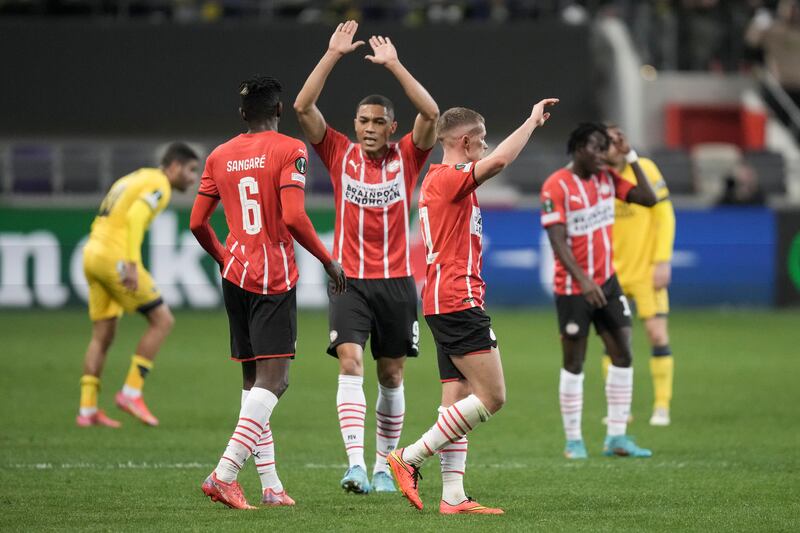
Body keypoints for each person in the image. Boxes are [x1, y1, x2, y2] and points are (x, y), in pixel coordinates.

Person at [388, 99, 559, 514]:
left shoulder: (443, 181)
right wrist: (531, 121)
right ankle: (408, 457)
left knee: (457, 398)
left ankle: (452, 497)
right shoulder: (448, 178)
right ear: (465, 142)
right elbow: (500, 162)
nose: (486, 147)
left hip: (444, 299)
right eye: (481, 140)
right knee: (493, 396)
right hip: (456, 299)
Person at [294, 20, 439, 494]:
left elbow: (432, 112)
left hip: (397, 282)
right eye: (363, 121)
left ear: (392, 127)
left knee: (391, 373)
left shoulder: (409, 157)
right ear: (353, 125)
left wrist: (395, 65)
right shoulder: (337, 152)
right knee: (350, 362)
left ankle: (383, 466)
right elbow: (302, 106)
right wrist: (333, 54)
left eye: (379, 122)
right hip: (348, 280)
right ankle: (355, 464)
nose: (370, 128)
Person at [190, 75, 346, 509]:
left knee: (252, 383)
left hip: (235, 273)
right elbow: (294, 218)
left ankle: (272, 485)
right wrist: (327, 260)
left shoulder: (219, 155)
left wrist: (224, 256)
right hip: (272, 275)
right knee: (275, 382)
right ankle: (224, 473)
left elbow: (197, 223)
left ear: (242, 113)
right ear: (279, 111)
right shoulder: (290, 150)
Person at [541, 122, 657, 460]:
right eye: (596, 147)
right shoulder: (556, 185)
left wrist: (630, 155)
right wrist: (583, 280)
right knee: (575, 362)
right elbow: (557, 240)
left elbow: (649, 199)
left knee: (623, 352)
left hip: (607, 281)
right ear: (578, 148)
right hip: (573, 287)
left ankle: (617, 437)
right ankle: (574, 440)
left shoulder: (607, 179)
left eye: (605, 147)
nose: (603, 154)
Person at [77, 142, 199, 428]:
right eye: (191, 170)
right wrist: (131, 264)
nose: (193, 178)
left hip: (91, 253)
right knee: (162, 320)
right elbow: (134, 217)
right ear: (174, 166)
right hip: (115, 258)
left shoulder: (134, 177)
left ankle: (87, 408)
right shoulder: (160, 185)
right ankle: (131, 392)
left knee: (102, 335)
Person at [604, 125, 676, 427]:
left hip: (646, 270)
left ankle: (661, 406)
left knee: (657, 335)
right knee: (613, 342)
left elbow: (664, 214)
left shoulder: (644, 168)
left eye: (615, 142)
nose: (611, 148)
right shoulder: (599, 177)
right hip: (612, 272)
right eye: (605, 143)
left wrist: (662, 261)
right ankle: (619, 409)